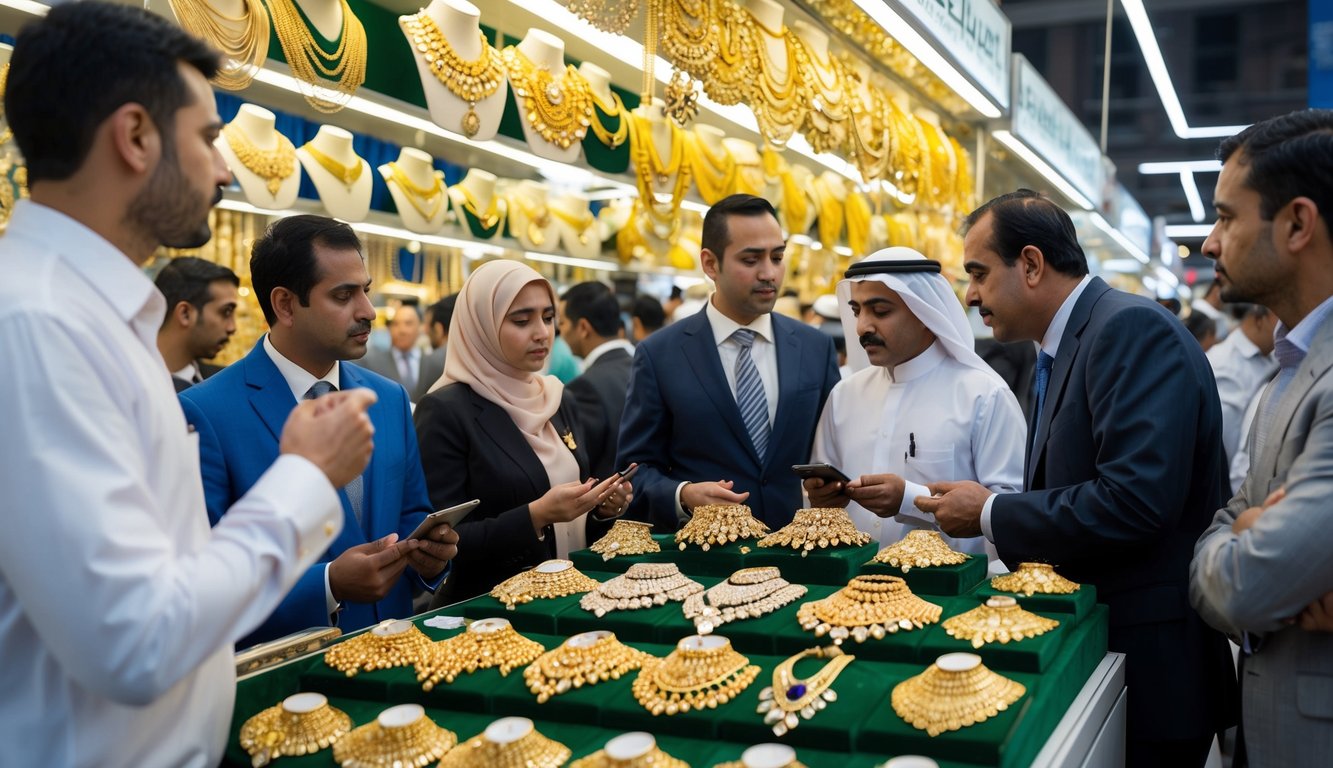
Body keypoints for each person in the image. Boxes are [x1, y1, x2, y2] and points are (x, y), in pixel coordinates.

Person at [0, 4, 376, 764]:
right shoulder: (35, 325)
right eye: (208, 138)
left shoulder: (94, 317)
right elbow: (133, 639)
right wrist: (303, 478)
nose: (227, 169)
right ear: (135, 137)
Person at [916, 189, 1238, 764]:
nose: (970, 296)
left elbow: (1135, 501)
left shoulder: (1129, 331)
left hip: (1150, 666)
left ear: (1033, 265)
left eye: (979, 274)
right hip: (1106, 650)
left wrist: (991, 511)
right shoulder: (1065, 349)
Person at [180, 215, 456, 647]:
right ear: (286, 304)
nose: (367, 311)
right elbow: (204, 576)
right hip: (294, 676)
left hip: (398, 652)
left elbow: (410, 512)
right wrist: (327, 584)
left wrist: (429, 557)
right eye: (343, 296)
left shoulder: (388, 398)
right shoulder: (207, 411)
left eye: (365, 290)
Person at [1190, 109, 1333, 766]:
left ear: (1296, 224)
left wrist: (1242, 535)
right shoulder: (1284, 368)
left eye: (1226, 216)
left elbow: (1243, 588)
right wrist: (1243, 526)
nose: (1209, 243)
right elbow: (1226, 521)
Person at [618, 194, 841, 530]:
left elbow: (835, 451)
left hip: (801, 554)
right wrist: (683, 495)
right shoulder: (660, 354)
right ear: (710, 264)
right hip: (706, 561)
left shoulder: (814, 347)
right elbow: (634, 473)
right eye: (750, 260)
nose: (769, 273)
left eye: (777, 257)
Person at [414, 260, 631, 603]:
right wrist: (536, 516)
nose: (542, 332)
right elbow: (441, 542)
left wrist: (603, 508)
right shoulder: (447, 410)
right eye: (521, 320)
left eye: (548, 317)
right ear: (481, 326)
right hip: (494, 613)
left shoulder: (557, 397)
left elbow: (574, 516)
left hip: (572, 600)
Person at [805, 248, 1025, 561]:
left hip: (948, 597)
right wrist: (822, 497)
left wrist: (909, 500)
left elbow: (1010, 513)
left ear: (926, 314)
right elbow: (816, 506)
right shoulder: (844, 395)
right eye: (857, 311)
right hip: (850, 596)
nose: (862, 327)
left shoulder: (984, 395)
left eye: (880, 311)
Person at [560, 281, 635, 479]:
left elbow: (581, 463)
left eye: (562, 323)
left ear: (583, 327)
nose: (561, 333)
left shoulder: (585, 387)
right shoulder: (641, 366)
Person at [1205, 302, 1277, 472]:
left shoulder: (1273, 358)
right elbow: (1221, 443)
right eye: (1281, 317)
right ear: (1260, 318)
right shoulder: (1222, 365)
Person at [153, 255, 239, 391]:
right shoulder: (129, 382)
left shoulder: (226, 384)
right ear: (185, 314)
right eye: (226, 312)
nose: (232, 328)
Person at [359, 304, 441, 402]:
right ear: (389, 329)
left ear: (420, 327)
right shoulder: (371, 363)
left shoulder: (433, 364)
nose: (402, 330)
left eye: (408, 323)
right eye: (396, 324)